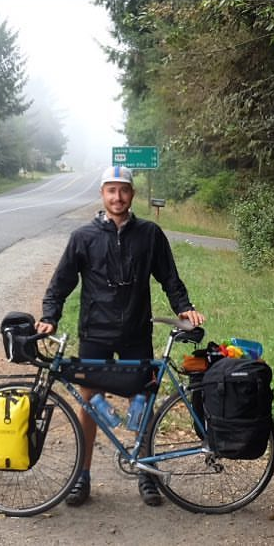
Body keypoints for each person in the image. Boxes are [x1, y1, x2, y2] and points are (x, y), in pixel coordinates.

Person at [35, 165, 205, 508]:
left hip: (135, 331)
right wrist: (49, 317)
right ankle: (81, 477)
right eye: (111, 190)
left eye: (123, 190)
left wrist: (184, 307)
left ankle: (146, 472)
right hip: (95, 332)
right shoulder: (83, 237)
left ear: (132, 194)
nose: (117, 197)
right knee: (88, 404)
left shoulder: (150, 234)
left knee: (142, 401)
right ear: (102, 194)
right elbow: (61, 282)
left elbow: (169, 277)